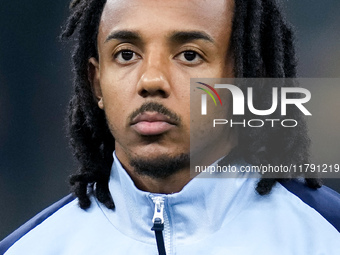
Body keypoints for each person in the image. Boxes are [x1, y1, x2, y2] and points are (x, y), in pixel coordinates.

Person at [1, 0, 339, 254]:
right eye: (126, 54)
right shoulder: (30, 249)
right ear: (97, 84)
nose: (151, 80)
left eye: (189, 55)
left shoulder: (325, 237)